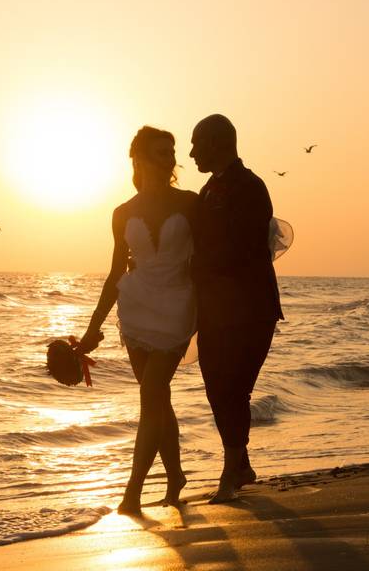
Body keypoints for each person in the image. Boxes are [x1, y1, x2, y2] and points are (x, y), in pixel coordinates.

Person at [79, 126, 199, 515]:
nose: (171, 160)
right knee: (157, 398)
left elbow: (213, 256)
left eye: (172, 152)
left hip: (178, 305)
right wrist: (93, 327)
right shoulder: (122, 213)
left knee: (151, 394)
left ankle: (132, 493)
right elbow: (116, 273)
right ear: (140, 159)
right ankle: (176, 474)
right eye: (162, 153)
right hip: (135, 309)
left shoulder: (191, 203)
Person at [189, 114, 284, 503]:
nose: (191, 152)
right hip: (214, 307)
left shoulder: (250, 186)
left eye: (197, 143)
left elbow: (244, 248)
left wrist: (200, 266)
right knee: (216, 386)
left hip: (250, 307)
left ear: (217, 143)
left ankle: (232, 471)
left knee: (235, 388)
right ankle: (240, 464)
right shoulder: (206, 189)